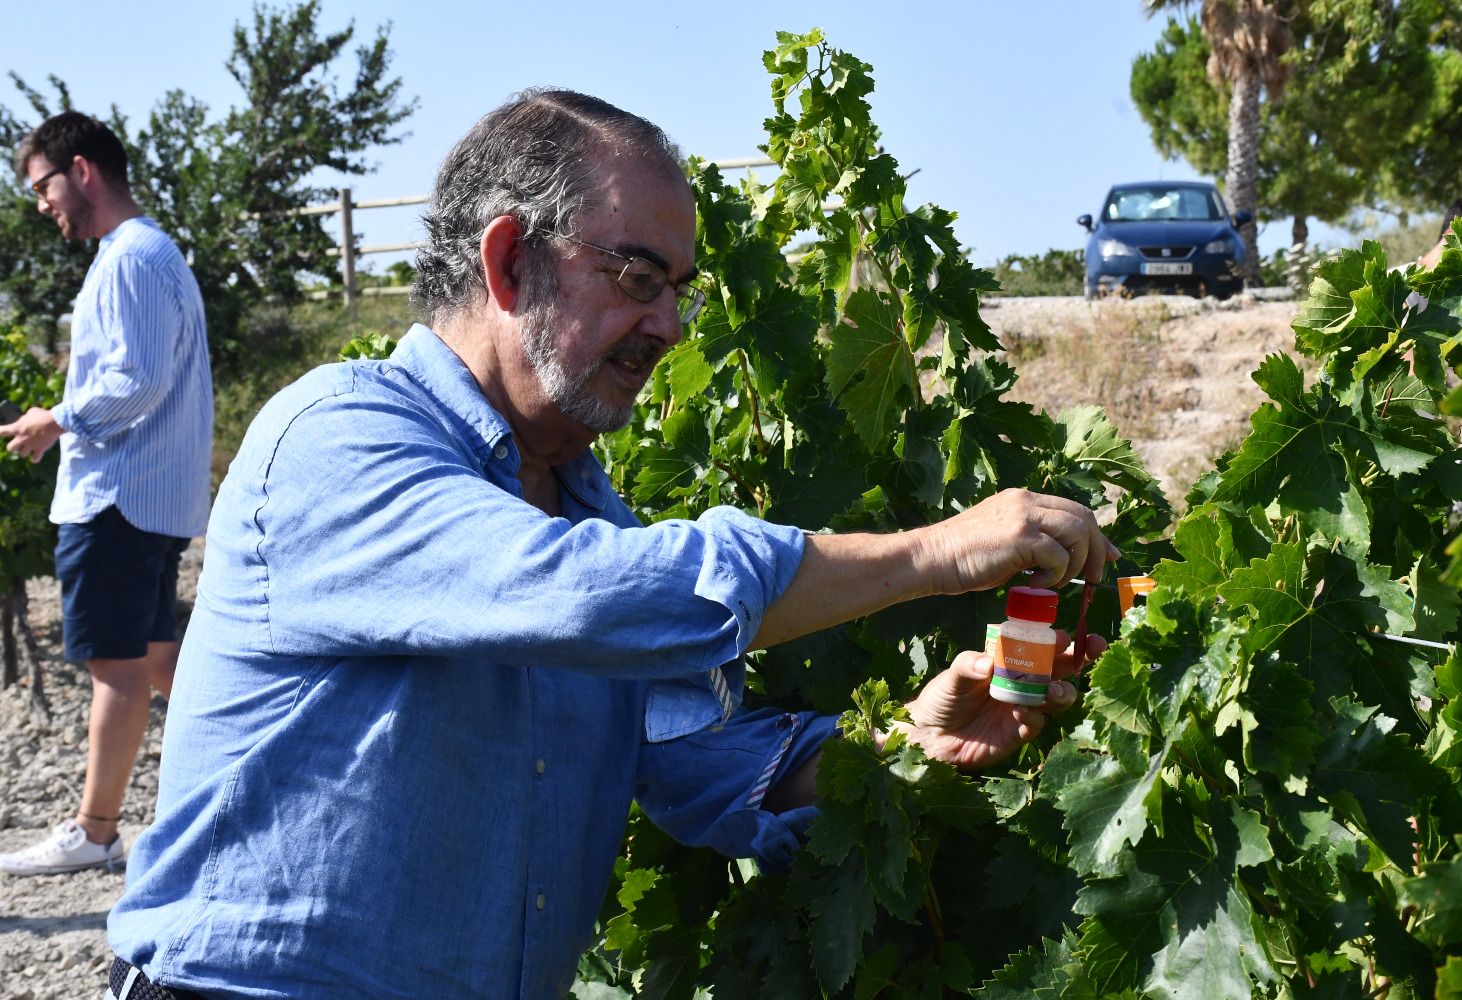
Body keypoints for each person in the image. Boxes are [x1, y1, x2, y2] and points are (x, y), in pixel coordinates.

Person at [103, 89, 1115, 1000]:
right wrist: (935, 553)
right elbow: (589, 594)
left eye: (680, 287)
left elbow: (704, 765)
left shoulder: (589, 517)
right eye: (637, 276)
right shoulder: (336, 440)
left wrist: (903, 748)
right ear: (507, 262)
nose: (670, 324)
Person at [0, 113, 213, 877]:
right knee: (159, 661)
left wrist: (56, 418)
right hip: (149, 498)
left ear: (80, 170)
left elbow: (137, 380)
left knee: (115, 669)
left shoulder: (130, 260)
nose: (39, 203)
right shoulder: (150, 256)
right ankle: (253, 769)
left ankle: (94, 831)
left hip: (116, 499)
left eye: (41, 186)